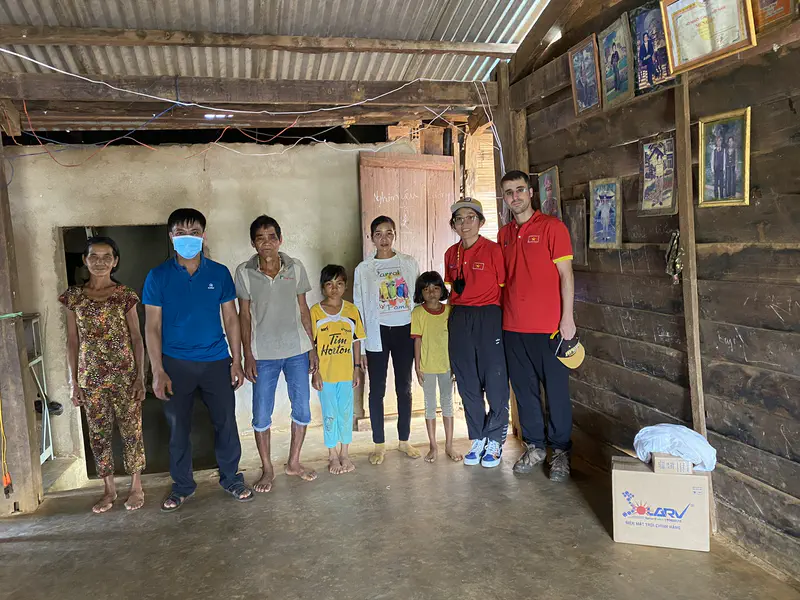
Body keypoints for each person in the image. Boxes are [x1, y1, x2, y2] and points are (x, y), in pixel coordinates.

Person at [143, 208, 253, 512]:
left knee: (226, 423)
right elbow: (151, 326)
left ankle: (231, 478)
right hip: (175, 364)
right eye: (180, 232)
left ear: (203, 236)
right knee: (178, 428)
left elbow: (231, 318)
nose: (187, 238)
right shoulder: (158, 276)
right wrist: (158, 370)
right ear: (171, 237)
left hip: (217, 360)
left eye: (194, 232)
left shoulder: (218, 273)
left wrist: (236, 360)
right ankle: (182, 486)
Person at [499, 171, 576, 482]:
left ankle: (560, 452)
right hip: (513, 326)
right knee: (524, 392)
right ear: (504, 198)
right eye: (508, 192)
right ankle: (535, 446)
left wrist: (567, 318)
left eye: (519, 190)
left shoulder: (552, 228)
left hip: (550, 328)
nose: (515, 197)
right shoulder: (504, 235)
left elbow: (566, 276)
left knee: (556, 392)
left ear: (530, 193)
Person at [60, 237, 146, 513]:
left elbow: (136, 337)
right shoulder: (73, 297)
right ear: (85, 261)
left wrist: (140, 377)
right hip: (91, 377)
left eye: (106, 256)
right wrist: (74, 381)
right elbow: (72, 341)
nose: (100, 262)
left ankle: (136, 485)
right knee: (99, 434)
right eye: (93, 256)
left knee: (131, 430)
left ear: (115, 261)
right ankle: (108, 489)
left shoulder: (125, 295)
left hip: (124, 375)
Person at [235, 215, 318, 492]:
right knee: (260, 415)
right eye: (260, 238)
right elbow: (244, 316)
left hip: (296, 350)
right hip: (263, 354)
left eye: (272, 236)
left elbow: (304, 309)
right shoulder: (244, 273)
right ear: (253, 243)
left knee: (303, 409)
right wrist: (248, 354)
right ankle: (267, 468)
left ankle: (294, 462)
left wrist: (312, 347)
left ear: (280, 240)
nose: (267, 242)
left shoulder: (295, 267)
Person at [444, 198, 508, 468]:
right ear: (454, 225)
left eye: (471, 217)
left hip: (489, 315)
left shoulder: (493, 251)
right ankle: (478, 437)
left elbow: (504, 288)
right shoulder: (451, 253)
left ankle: (495, 439)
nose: (465, 223)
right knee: (467, 380)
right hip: (460, 317)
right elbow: (452, 292)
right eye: (459, 219)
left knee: (493, 377)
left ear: (481, 222)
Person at [354, 215, 421, 465]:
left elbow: (417, 297)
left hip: (405, 330)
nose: (384, 238)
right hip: (377, 332)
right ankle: (379, 444)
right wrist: (359, 346)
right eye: (379, 233)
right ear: (371, 237)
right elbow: (358, 309)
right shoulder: (363, 269)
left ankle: (404, 440)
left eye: (389, 233)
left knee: (404, 387)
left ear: (395, 235)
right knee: (377, 390)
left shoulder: (408, 263)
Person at [310, 265, 366, 474]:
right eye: (329, 284)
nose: (335, 288)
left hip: (345, 373)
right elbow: (311, 345)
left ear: (345, 286)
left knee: (346, 413)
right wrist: (315, 372)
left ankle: (345, 453)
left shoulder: (351, 311)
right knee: (329, 414)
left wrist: (357, 368)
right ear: (323, 287)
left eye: (339, 284)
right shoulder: (315, 311)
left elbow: (357, 341)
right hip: (325, 375)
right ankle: (332, 455)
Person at [410, 271, 461, 464]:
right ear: (420, 292)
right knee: (429, 406)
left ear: (442, 290)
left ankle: (449, 445)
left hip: (447, 365)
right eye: (426, 289)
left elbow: (455, 340)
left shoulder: (450, 311)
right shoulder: (418, 313)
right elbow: (417, 340)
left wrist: (456, 364)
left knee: (448, 403)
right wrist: (417, 366)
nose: (431, 293)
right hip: (427, 366)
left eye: (436, 288)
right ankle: (433, 445)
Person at [712, 135, 726, 199]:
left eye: (720, 141)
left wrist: (724, 169)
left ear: (721, 142)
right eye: (717, 141)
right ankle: (716, 196)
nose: (719, 142)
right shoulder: (714, 151)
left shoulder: (724, 150)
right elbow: (712, 161)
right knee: (715, 184)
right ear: (716, 142)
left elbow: (724, 160)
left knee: (721, 184)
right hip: (715, 170)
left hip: (721, 170)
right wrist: (712, 170)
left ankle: (721, 196)